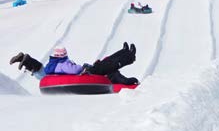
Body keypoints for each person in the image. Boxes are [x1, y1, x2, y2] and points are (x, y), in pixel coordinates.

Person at [9, 43, 138, 85]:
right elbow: (73, 70)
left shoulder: (52, 64)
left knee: (105, 63)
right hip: (86, 74)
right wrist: (82, 68)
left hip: (49, 74)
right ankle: (128, 56)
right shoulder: (61, 64)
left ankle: (124, 52)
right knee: (105, 65)